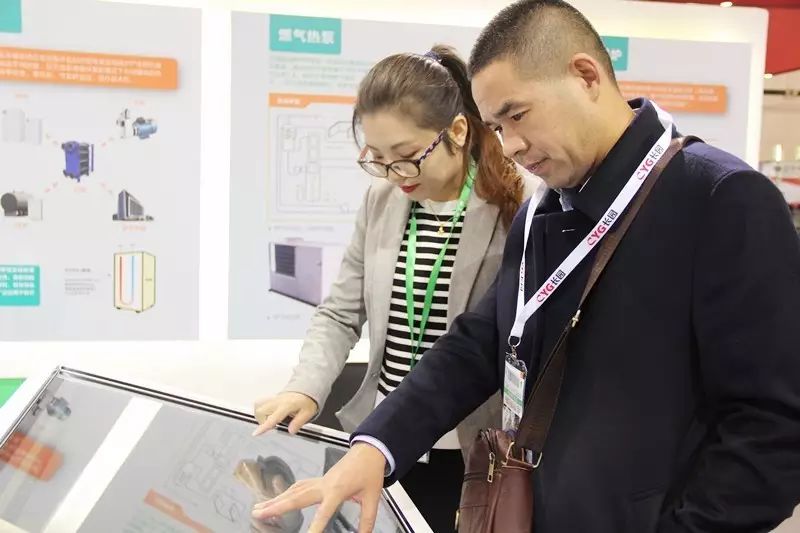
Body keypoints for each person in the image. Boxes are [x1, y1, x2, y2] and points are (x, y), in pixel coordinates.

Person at [251, 1, 800, 532]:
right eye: (496, 126)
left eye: (517, 115)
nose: (510, 145)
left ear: (585, 76)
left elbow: (773, 426)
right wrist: (377, 446)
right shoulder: (546, 206)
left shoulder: (720, 198)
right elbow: (482, 342)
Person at [252, 44, 544, 532]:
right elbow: (340, 312)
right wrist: (305, 387)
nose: (393, 175)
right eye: (378, 158)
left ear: (457, 131)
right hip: (377, 442)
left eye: (407, 157)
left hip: (468, 454)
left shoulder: (519, 205)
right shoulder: (382, 201)